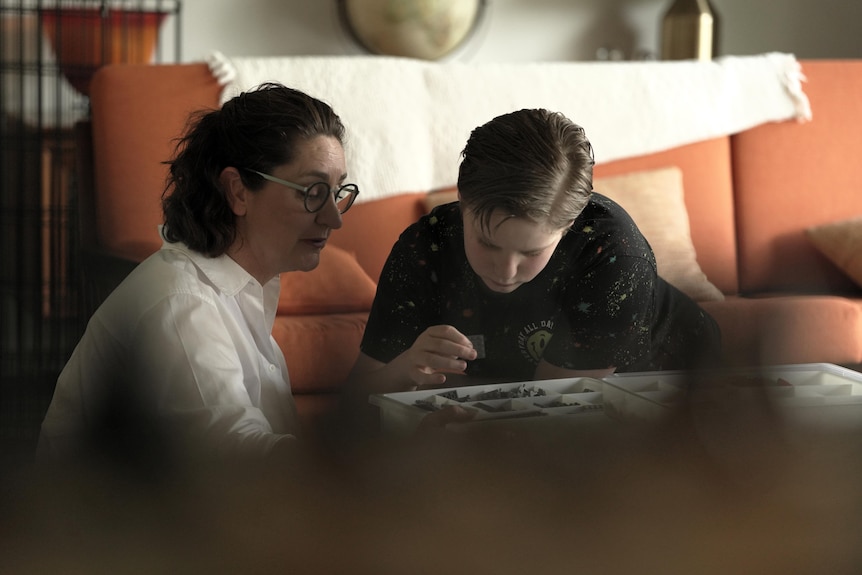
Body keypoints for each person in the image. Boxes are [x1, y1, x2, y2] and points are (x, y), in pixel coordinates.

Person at [38, 83, 359, 463]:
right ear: (237, 191)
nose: (334, 218)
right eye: (312, 191)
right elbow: (235, 460)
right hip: (108, 521)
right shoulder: (183, 304)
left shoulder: (240, 287)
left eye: (338, 191)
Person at [347, 108, 721, 397]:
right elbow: (354, 403)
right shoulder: (423, 248)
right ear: (462, 198)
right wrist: (403, 369)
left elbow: (549, 408)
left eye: (531, 252)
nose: (506, 270)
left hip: (678, 390)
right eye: (487, 243)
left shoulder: (615, 254)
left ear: (570, 224)